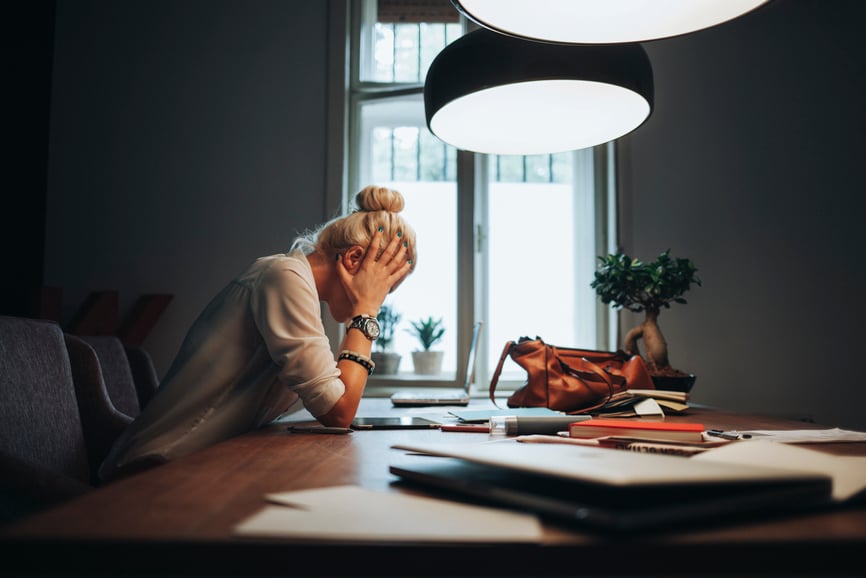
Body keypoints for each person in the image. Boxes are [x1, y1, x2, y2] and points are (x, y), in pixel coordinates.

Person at [98, 185, 416, 482]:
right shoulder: (284, 277)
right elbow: (339, 411)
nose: (382, 297)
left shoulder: (297, 286)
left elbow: (335, 398)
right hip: (153, 471)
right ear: (353, 258)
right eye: (384, 286)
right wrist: (366, 312)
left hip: (198, 465)